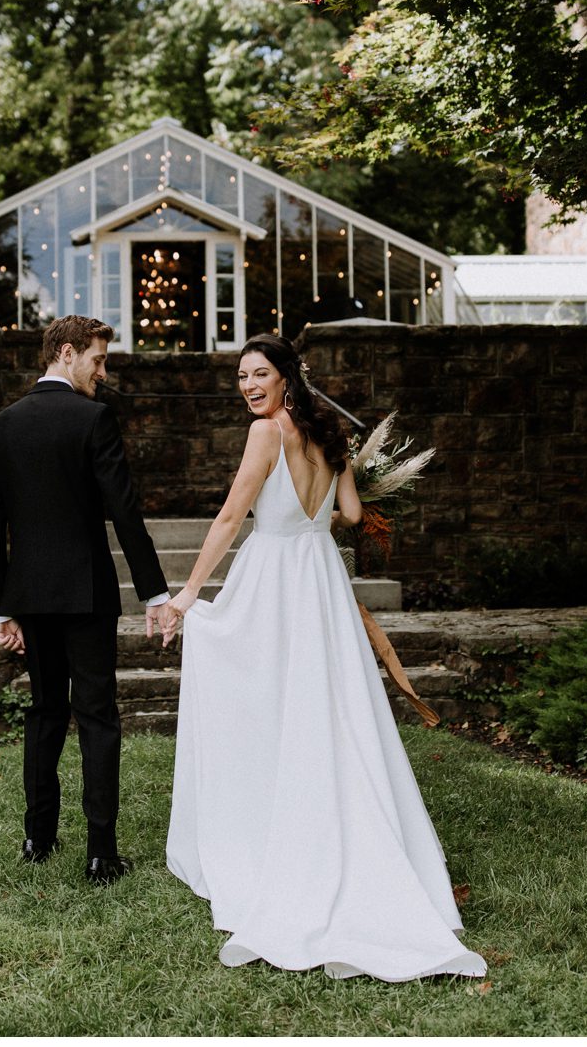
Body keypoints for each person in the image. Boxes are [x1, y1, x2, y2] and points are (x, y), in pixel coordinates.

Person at [157, 333, 487, 981]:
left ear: (285, 377)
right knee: (329, 707)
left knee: (272, 699)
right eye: (242, 378)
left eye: (258, 374)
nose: (248, 386)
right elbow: (353, 511)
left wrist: (189, 594)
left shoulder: (267, 435)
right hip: (321, 577)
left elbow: (230, 516)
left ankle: (277, 832)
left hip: (276, 576)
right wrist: (313, 515)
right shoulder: (331, 436)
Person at [0, 316, 169, 885]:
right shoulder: (94, 419)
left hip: (29, 596)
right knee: (96, 716)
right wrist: (154, 592)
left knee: (43, 712)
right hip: (87, 596)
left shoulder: (1, 426)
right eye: (99, 360)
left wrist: (0, 606)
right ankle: (100, 853)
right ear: (66, 353)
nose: (103, 373)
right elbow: (125, 513)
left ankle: (38, 837)